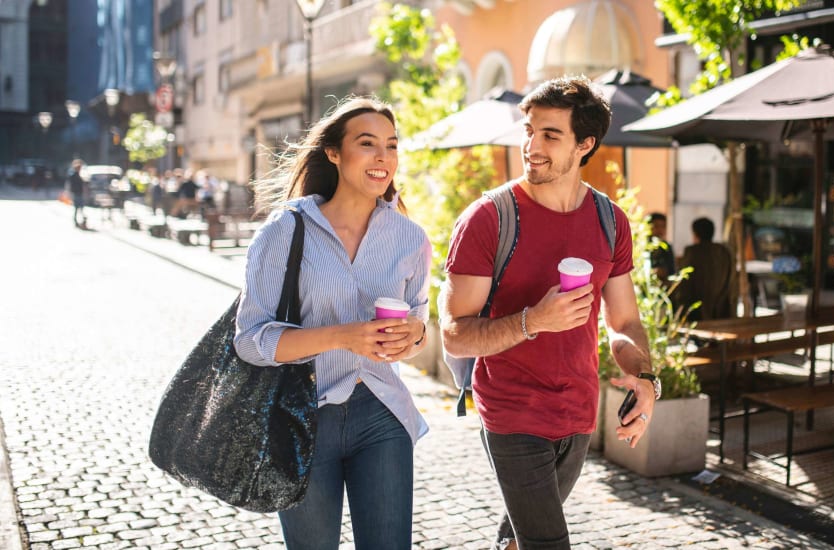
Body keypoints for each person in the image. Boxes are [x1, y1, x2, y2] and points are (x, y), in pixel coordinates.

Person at [440, 76, 658, 550]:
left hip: (578, 414)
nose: (531, 146)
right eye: (529, 131)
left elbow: (622, 323)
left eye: (550, 135)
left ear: (585, 144)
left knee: (521, 537)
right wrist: (533, 321)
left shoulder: (610, 221)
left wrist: (645, 377)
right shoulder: (489, 218)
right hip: (512, 413)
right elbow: (455, 335)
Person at [234, 97, 432, 550]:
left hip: (382, 412)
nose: (383, 157)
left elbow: (418, 316)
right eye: (367, 144)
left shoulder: (410, 238)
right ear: (334, 153)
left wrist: (414, 334)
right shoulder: (286, 230)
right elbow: (250, 340)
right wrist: (342, 336)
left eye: (392, 145)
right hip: (303, 415)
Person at [675, 217, 737, 320]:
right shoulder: (723, 251)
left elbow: (685, 283)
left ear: (695, 234)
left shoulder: (692, 252)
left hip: (697, 312)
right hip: (722, 310)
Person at [646, 212, 675, 284]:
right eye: (656, 226)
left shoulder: (667, 247)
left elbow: (672, 270)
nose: (660, 230)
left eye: (663, 226)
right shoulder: (643, 245)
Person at [66, 159, 86, 227]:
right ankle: (77, 221)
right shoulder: (73, 175)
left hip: (79, 193)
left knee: (80, 207)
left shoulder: (79, 175)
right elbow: (71, 185)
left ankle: (82, 220)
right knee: (77, 207)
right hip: (76, 193)